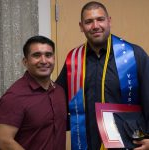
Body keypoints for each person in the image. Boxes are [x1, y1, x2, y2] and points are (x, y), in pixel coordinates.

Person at [56, 1, 149, 150]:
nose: (95, 26)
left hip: (128, 143)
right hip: (87, 143)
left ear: (109, 21)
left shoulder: (134, 54)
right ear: (81, 26)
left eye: (100, 19)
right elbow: (57, 99)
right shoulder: (73, 60)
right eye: (88, 22)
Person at [0, 35, 67, 150]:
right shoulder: (14, 96)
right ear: (25, 61)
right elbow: (3, 141)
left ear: (54, 59)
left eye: (48, 55)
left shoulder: (59, 91)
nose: (44, 61)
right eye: (36, 55)